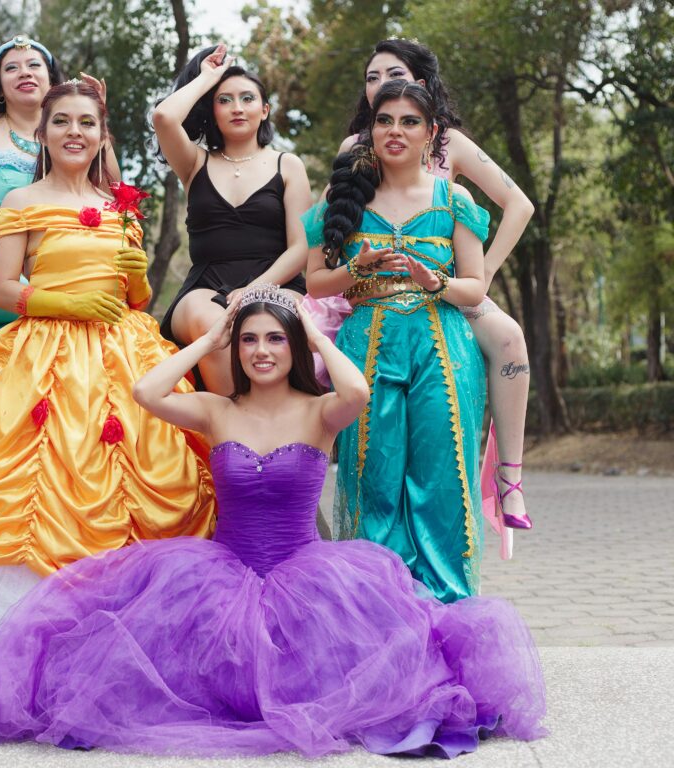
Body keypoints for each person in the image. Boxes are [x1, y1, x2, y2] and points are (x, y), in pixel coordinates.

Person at [0, 285, 547, 758]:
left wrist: (315, 332)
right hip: (222, 571)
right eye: (250, 340)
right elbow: (146, 393)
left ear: (290, 348)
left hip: (306, 577)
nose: (262, 351)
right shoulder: (215, 410)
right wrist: (209, 339)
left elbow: (356, 393)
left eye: (273, 339)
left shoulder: (320, 412)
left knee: (348, 678)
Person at [0, 81, 217, 644]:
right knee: (35, 480)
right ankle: (34, 640)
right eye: (63, 121)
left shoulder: (121, 204)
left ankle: (116, 635)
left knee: (141, 471)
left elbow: (136, 298)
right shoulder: (23, 200)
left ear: (102, 135)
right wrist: (60, 301)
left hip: (122, 354)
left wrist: (137, 274)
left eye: (87, 123)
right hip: (43, 353)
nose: (75, 132)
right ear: (42, 133)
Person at [304, 38, 534, 536]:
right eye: (373, 79)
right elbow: (322, 262)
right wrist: (357, 271)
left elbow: (518, 206)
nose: (383, 86)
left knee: (510, 340)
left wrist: (479, 275)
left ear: (426, 105)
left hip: (443, 295)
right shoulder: (352, 158)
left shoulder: (453, 157)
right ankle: (301, 511)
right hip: (364, 308)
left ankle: (510, 475)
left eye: (394, 75)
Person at [308, 79, 492, 603]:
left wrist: (438, 282)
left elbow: (476, 285)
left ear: (431, 133)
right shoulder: (344, 197)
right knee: (375, 476)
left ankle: (446, 605)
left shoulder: (453, 198)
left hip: (441, 343)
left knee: (442, 478)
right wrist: (355, 267)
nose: (395, 131)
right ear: (370, 129)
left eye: (410, 122)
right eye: (384, 120)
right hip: (366, 343)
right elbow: (316, 282)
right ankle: (378, 605)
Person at [0, 35, 119, 347]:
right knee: (53, 303)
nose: (24, 72)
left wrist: (96, 120)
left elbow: (111, 195)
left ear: (52, 80)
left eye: (33, 65)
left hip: (50, 266)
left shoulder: (70, 136)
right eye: (11, 68)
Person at [152, 43, 311, 394]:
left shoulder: (288, 165)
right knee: (212, 324)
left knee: (277, 322)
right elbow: (164, 117)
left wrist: (255, 290)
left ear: (265, 110)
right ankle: (234, 436)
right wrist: (208, 77)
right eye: (224, 100)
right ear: (211, 109)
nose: (237, 108)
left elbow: (300, 249)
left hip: (278, 283)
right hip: (206, 286)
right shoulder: (195, 163)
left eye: (247, 99)